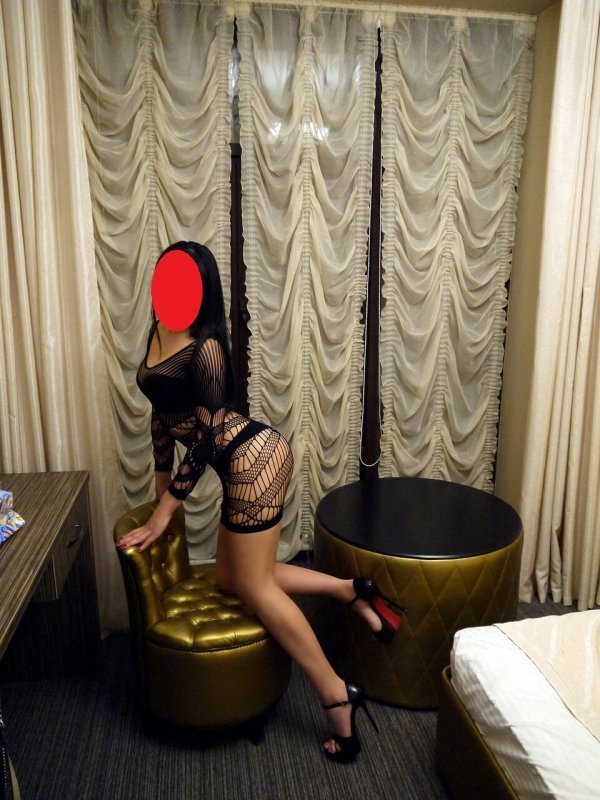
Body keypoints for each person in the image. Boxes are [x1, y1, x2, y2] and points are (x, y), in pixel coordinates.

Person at [116, 241, 404, 762]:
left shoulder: (206, 348)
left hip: (256, 460)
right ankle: (351, 591)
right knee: (233, 578)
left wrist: (165, 511)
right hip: (239, 464)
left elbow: (206, 441)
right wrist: (160, 488)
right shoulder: (158, 331)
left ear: (202, 287)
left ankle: (336, 696)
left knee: (252, 584)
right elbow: (160, 416)